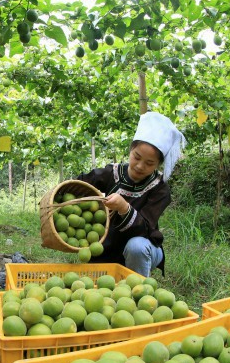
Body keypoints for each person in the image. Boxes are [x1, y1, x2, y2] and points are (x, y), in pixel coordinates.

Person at [75, 111, 186, 276]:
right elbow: (77, 185)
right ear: (131, 149)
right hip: (105, 248)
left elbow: (146, 228)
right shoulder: (109, 173)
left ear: (158, 165)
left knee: (137, 247)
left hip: (142, 247)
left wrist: (124, 208)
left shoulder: (159, 190)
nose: (140, 166)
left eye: (149, 163)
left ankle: (138, 289)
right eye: (137, 157)